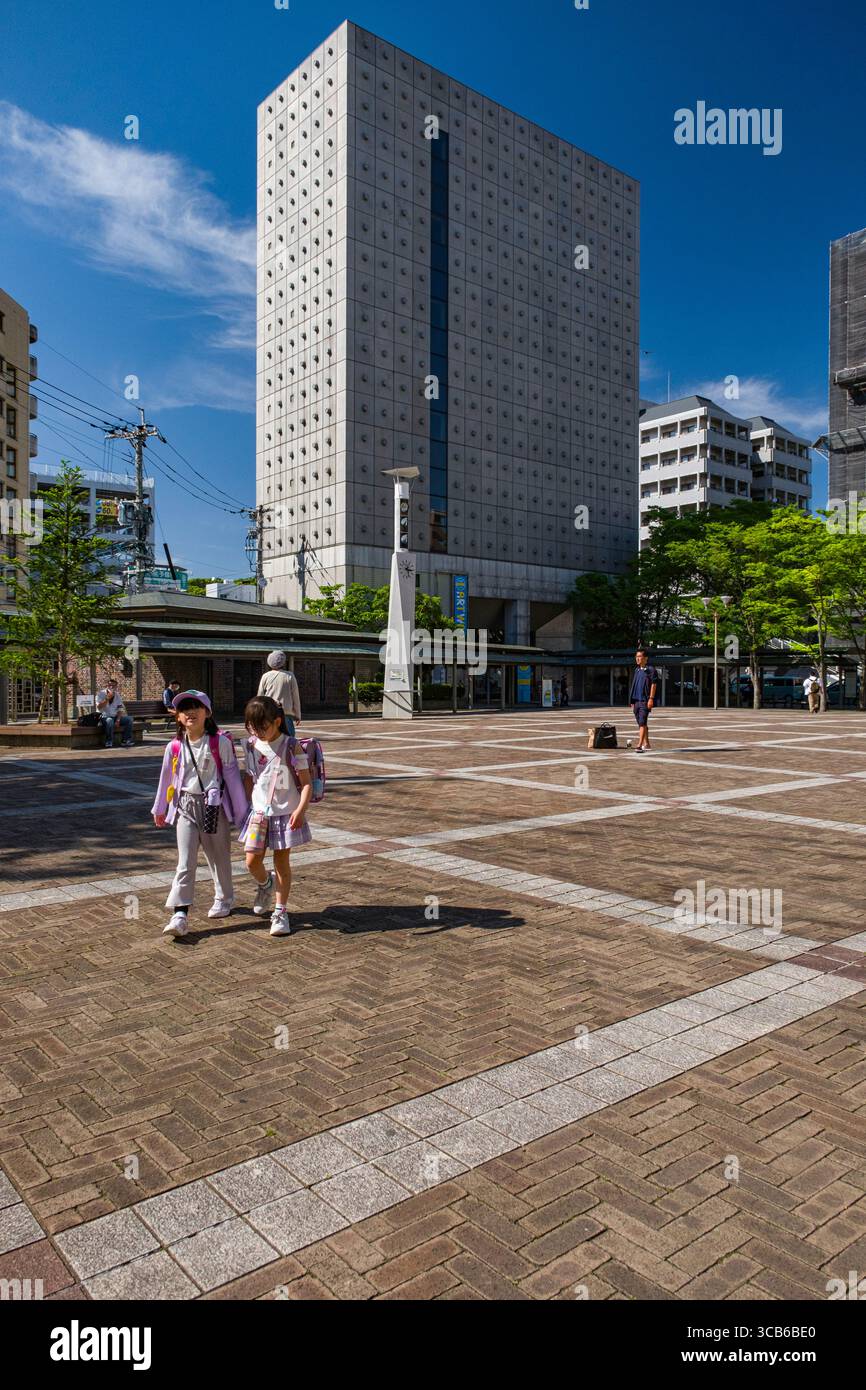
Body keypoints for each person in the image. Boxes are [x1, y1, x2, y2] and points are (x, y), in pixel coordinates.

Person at [151, 690, 249, 939]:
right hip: (185, 806)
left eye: (196, 706)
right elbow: (166, 780)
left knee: (218, 857)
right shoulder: (174, 746)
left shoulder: (220, 742)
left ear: (207, 712)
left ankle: (224, 898)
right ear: (179, 717)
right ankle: (180, 913)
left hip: (213, 806)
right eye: (184, 709)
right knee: (185, 862)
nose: (190, 712)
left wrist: (241, 814)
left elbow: (233, 779)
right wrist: (160, 808)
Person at [239, 695, 312, 938]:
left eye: (263, 727)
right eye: (252, 727)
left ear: (278, 721)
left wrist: (300, 810)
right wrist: (249, 805)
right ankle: (265, 885)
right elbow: (250, 777)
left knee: (282, 863)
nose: (258, 732)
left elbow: (306, 782)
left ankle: (280, 912)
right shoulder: (250, 745)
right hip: (259, 813)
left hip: (285, 814)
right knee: (251, 861)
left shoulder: (292, 745)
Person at [257, 652, 301, 737]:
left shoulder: (265, 676)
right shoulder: (290, 676)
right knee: (289, 740)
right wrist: (297, 715)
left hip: (270, 713)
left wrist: (259, 714)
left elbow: (260, 697)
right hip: (286, 713)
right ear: (283, 662)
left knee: (271, 739)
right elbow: (295, 696)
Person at [629, 649, 659, 752]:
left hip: (645, 701)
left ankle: (639, 745)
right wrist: (632, 701)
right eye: (636, 656)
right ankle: (647, 744)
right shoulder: (637, 670)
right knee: (642, 724)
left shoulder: (651, 670)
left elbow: (654, 685)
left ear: (645, 658)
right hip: (636, 701)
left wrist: (651, 699)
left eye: (640, 656)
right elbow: (634, 685)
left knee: (642, 723)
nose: (637, 658)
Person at [96, 679, 133, 748]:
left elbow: (120, 708)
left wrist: (118, 719)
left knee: (129, 719)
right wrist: (107, 699)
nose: (111, 687)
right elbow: (99, 707)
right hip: (104, 717)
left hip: (115, 716)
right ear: (107, 686)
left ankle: (125, 740)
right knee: (109, 721)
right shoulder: (101, 694)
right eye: (110, 685)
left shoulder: (117, 695)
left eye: (113, 686)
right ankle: (109, 741)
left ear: (116, 687)